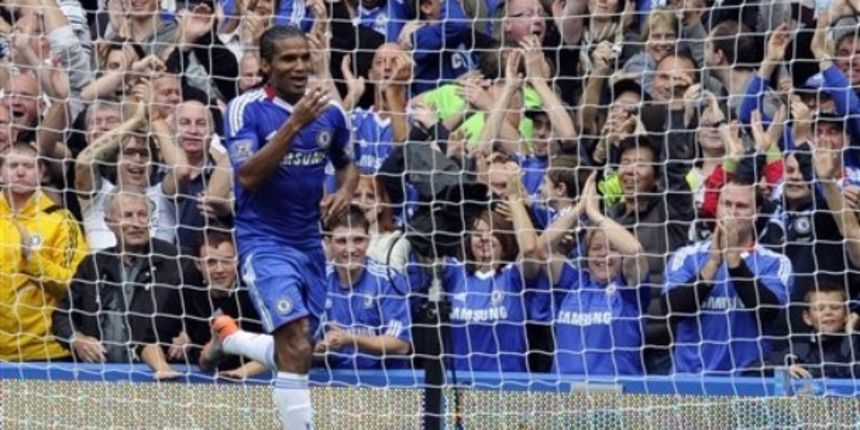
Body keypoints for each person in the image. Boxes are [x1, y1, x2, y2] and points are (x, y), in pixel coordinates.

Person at [222, 25, 358, 429]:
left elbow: (348, 163)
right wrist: (294, 125)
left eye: (304, 57)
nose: (300, 67)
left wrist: (345, 192)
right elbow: (246, 175)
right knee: (297, 338)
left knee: (297, 350)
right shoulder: (245, 109)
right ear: (266, 65)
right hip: (263, 241)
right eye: (288, 59)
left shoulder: (331, 113)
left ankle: (229, 338)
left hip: (309, 245)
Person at [204, 207, 412, 375]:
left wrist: (350, 340)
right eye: (341, 241)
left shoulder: (389, 280)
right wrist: (246, 371)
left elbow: (401, 344)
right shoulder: (316, 278)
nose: (350, 249)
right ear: (328, 243)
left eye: (358, 240)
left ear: (368, 240)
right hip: (328, 382)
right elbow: (292, 342)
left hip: (387, 384)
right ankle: (230, 339)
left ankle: (233, 339)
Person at [52, 189, 192, 379]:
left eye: (142, 215)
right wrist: (76, 339)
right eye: (128, 215)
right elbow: (62, 315)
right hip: (101, 377)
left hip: (160, 378)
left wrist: (189, 335)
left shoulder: (178, 261)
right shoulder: (93, 265)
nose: (136, 222)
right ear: (109, 223)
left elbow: (207, 312)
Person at [663, 180, 793, 374]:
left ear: (756, 212)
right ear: (717, 207)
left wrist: (734, 261)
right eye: (727, 204)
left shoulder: (775, 262)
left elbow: (768, 312)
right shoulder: (687, 256)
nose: (732, 212)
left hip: (749, 383)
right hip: (691, 382)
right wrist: (713, 263)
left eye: (741, 206)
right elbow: (671, 309)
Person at [535, 172, 650, 375]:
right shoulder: (573, 281)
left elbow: (634, 250)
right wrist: (580, 209)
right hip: (565, 396)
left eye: (612, 248)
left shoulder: (629, 289)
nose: (603, 255)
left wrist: (596, 215)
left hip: (616, 396)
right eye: (596, 248)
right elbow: (542, 248)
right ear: (586, 255)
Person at [441, 174, 542, 374]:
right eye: (478, 234)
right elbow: (424, 251)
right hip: (460, 386)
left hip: (506, 388)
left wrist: (514, 199)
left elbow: (530, 248)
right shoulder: (454, 273)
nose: (484, 239)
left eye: (492, 233)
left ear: (504, 240)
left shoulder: (514, 277)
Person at [0, 142, 88, 361]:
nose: (20, 171)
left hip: (46, 353)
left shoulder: (60, 220)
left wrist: (33, 261)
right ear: (1, 173)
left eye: (28, 166)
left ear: (41, 173)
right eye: (13, 166)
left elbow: (77, 285)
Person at [768, 283, 860, 379]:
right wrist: (783, 370)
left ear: (846, 314)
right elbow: (754, 367)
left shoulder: (855, 344)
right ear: (807, 317)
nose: (828, 312)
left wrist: (851, 336)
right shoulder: (799, 350)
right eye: (820, 308)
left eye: (835, 307)